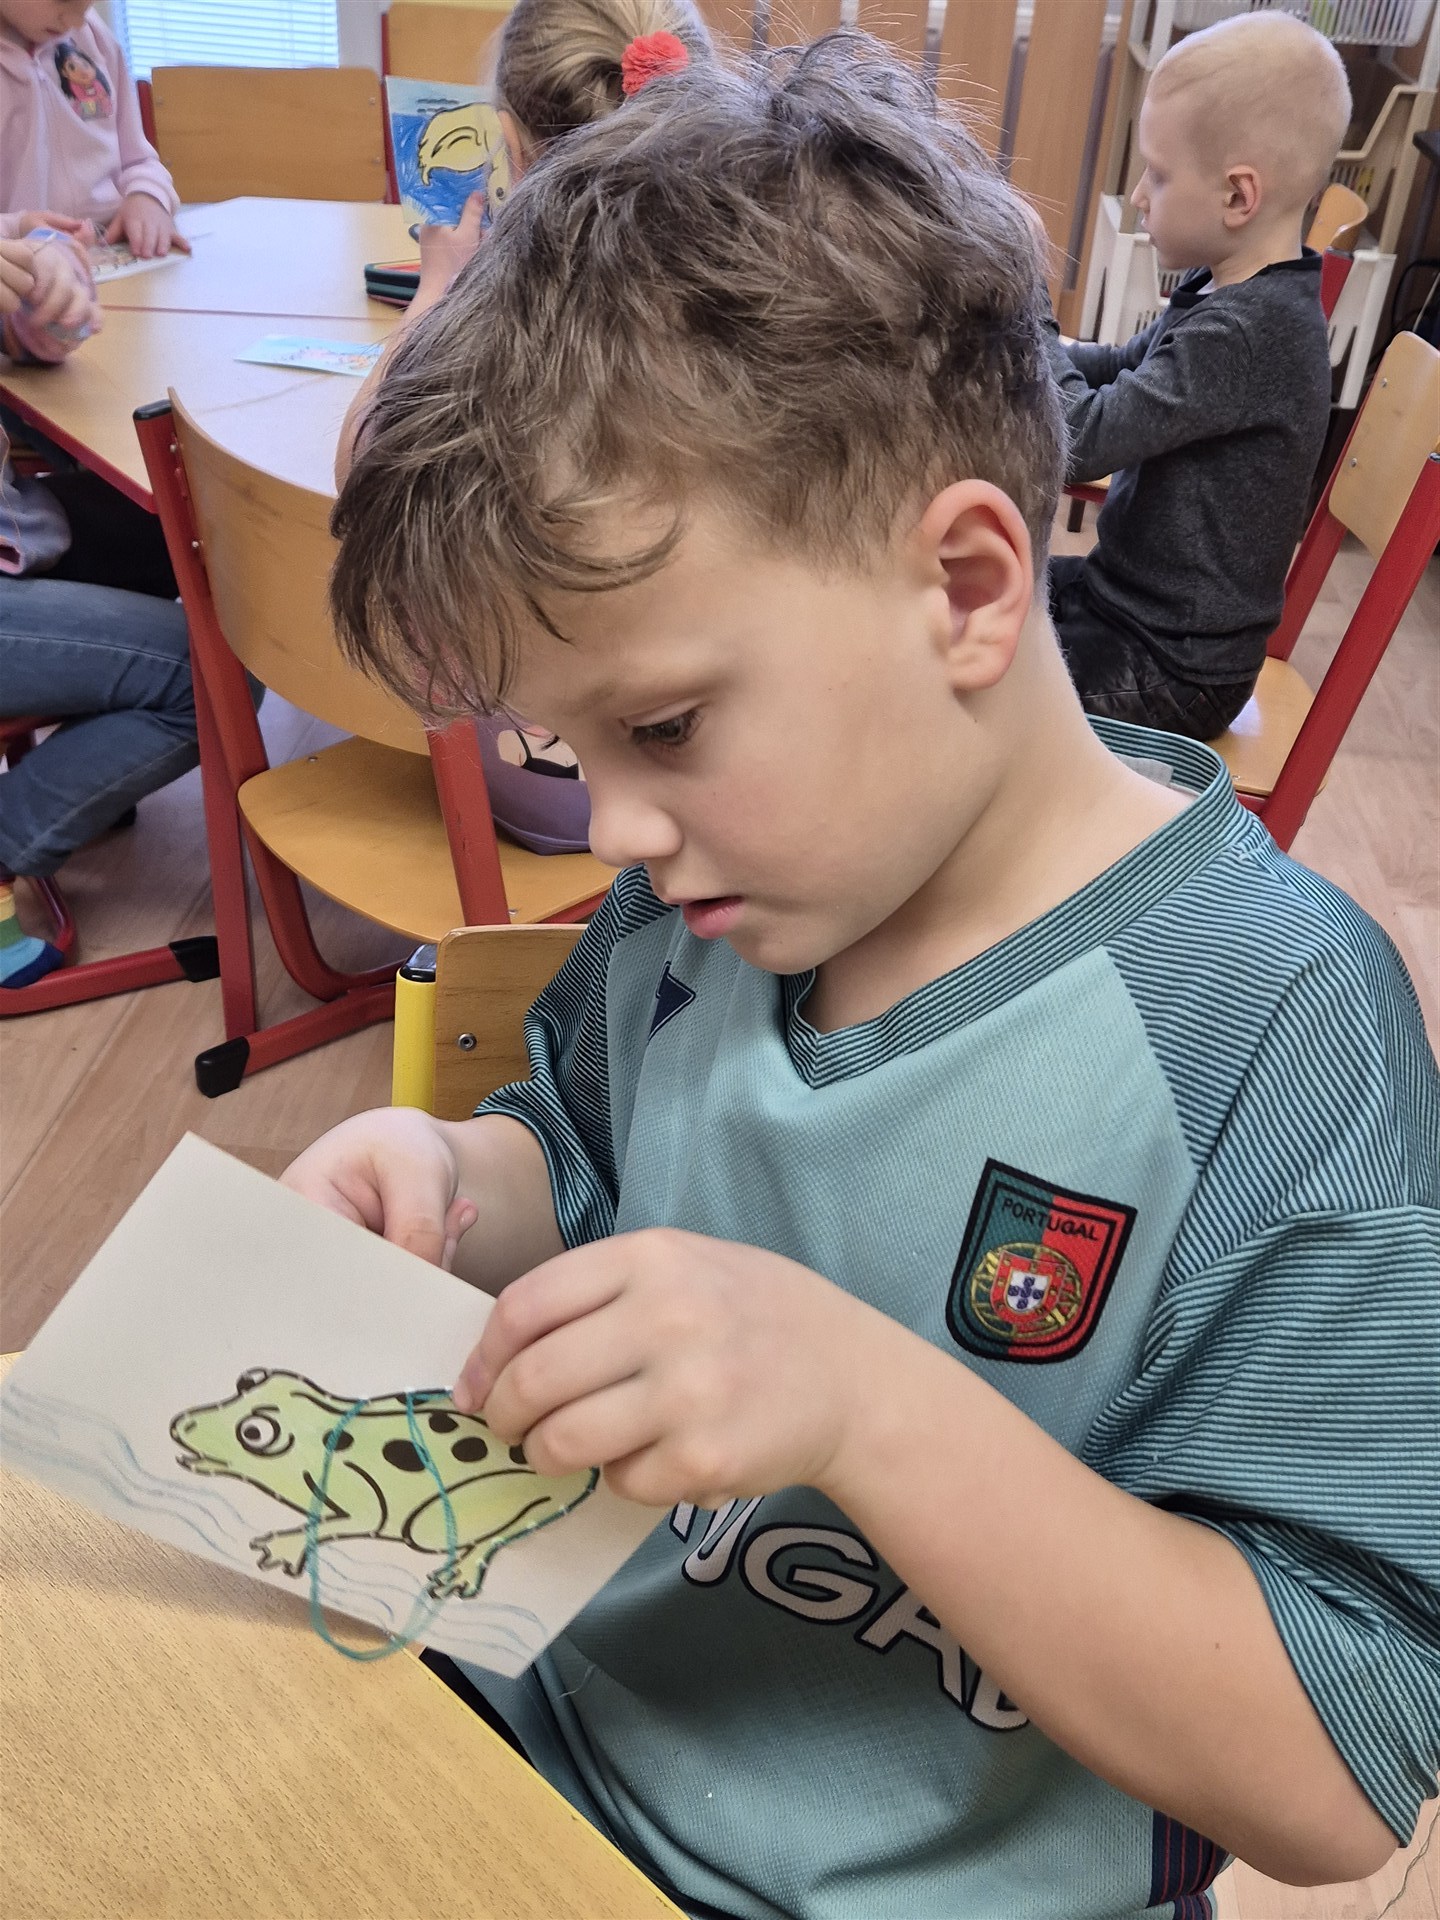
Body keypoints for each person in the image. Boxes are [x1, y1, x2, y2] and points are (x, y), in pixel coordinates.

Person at [283, 39, 1438, 1920]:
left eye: (667, 724)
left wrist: (862, 1405)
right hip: (522, 1753)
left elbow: (1337, 1770)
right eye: (570, 749)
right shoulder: (703, 899)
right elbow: (582, 1154)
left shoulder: (1272, 1032)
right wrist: (456, 1186)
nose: (618, 827)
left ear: (970, 587)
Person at [337, 0, 710, 857]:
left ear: (508, 141)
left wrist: (438, 290)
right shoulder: (755, 318)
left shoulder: (485, 350)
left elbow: (360, 467)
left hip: (537, 809)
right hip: (704, 809)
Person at [1045, 11, 1350, 739]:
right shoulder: (1229, 292)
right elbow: (1124, 367)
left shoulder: (1245, 332)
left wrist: (1029, 319)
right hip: (1128, 610)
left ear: (1238, 197)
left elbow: (1079, 439)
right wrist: (1028, 347)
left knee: (977, 666)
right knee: (966, 599)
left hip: (1172, 668)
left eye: (1157, 174)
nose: (1140, 195)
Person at [0, 225, 198, 989]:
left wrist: (49, 264)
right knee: (208, 681)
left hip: (19, 530)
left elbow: (50, 335)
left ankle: (87, 774)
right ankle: (10, 837)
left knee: (174, 533)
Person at [0, 0, 187, 259]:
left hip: (116, 255)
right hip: (25, 265)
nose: (77, 21)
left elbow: (138, 160)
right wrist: (15, 228)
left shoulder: (95, 38)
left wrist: (147, 195)